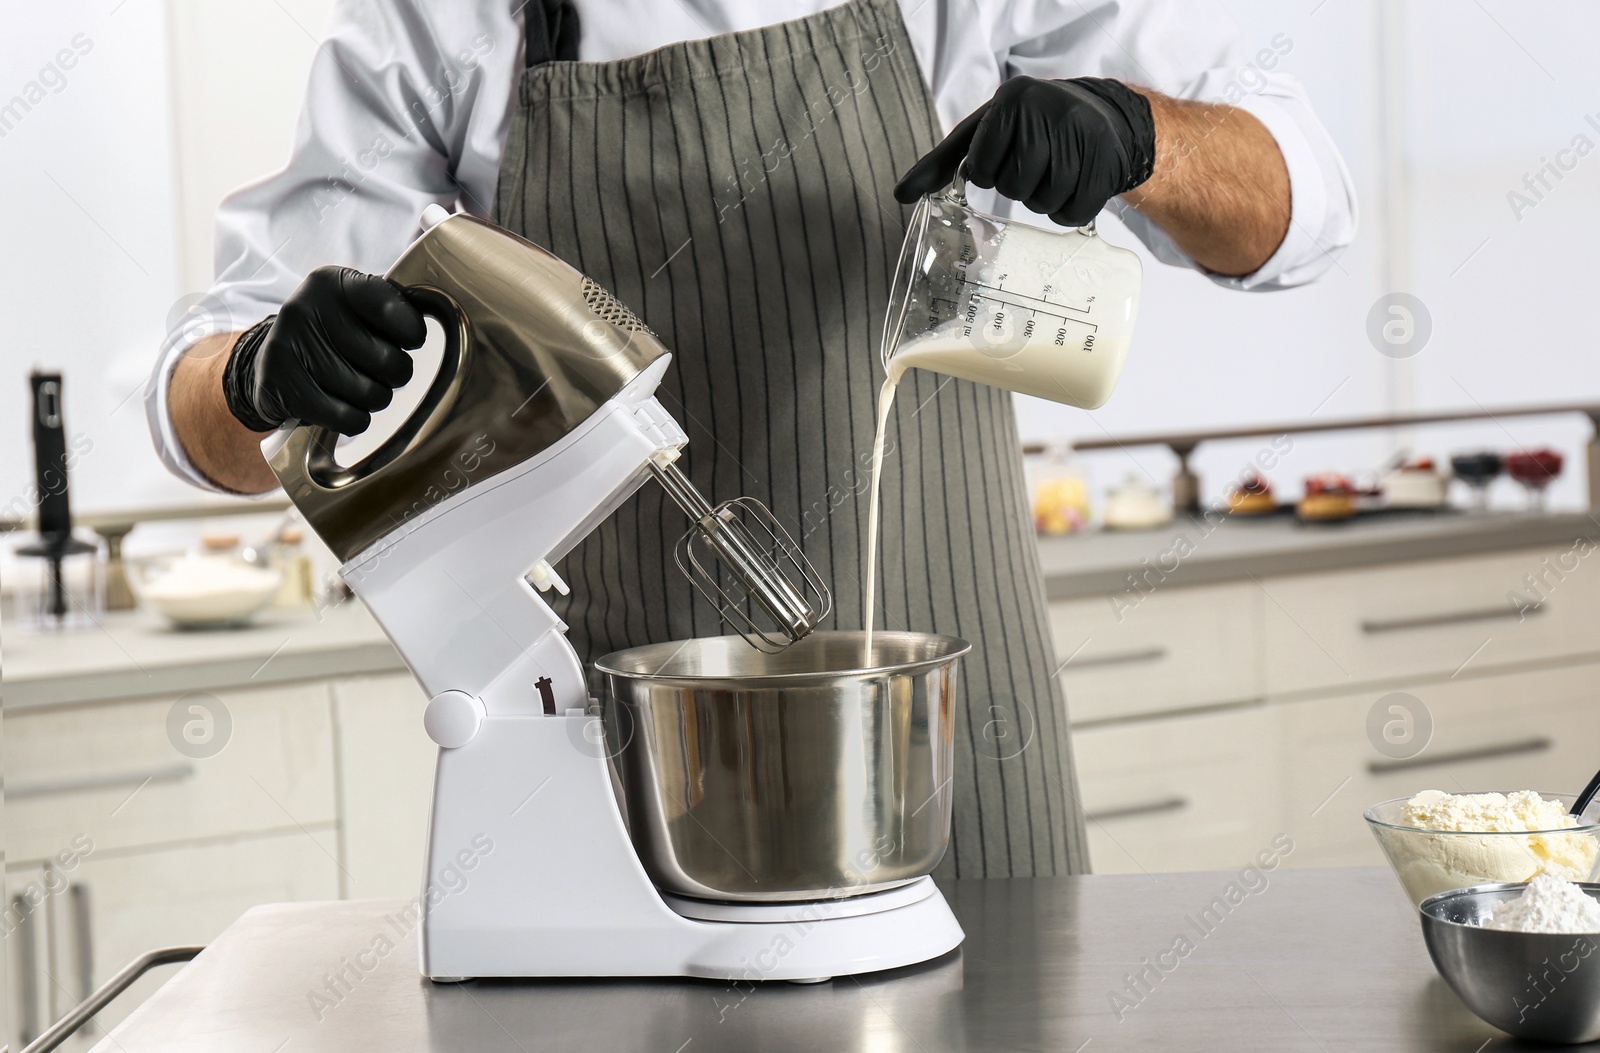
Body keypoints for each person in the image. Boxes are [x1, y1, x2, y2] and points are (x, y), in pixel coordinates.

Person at [149, 0, 1355, 880]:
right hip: (637, 777)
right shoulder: (450, 24)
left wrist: (1140, 137)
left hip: (951, 761)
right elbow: (205, 414)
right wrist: (261, 375)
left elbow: (1294, 207)